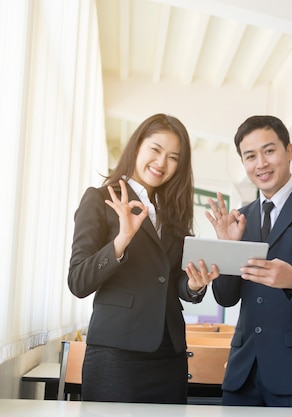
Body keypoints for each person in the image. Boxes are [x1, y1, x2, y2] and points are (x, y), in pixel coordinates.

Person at [198, 115, 292, 407]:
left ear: (289, 151)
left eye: (269, 151)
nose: (261, 164)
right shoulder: (240, 217)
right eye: (250, 156)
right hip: (243, 372)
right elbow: (227, 297)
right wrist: (227, 248)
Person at [67, 113, 217, 403]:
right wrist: (121, 240)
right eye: (155, 149)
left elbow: (173, 281)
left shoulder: (173, 213)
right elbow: (78, 281)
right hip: (117, 352)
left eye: (173, 157)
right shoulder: (100, 199)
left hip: (169, 353)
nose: (162, 163)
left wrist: (195, 285)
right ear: (137, 146)